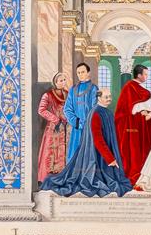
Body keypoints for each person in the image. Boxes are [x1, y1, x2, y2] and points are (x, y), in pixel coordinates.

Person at [42, 62, 131, 197]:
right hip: (77, 129)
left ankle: (89, 179)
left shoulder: (94, 89)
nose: (80, 75)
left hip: (90, 130)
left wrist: (88, 124)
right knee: (75, 158)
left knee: (91, 157)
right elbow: (68, 109)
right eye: (78, 72)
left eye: (83, 72)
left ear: (88, 73)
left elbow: (95, 109)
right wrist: (77, 122)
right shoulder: (73, 89)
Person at [112, 74, 151, 188]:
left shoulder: (141, 89)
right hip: (130, 126)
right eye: (145, 74)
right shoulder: (129, 87)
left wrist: (148, 113)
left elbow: (149, 107)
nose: (147, 76)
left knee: (140, 149)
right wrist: (140, 110)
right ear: (139, 75)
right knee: (131, 150)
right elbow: (125, 109)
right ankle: (131, 173)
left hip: (140, 126)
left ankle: (141, 173)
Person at [35, 70, 71, 182]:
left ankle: (63, 178)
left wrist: (68, 119)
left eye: (64, 80)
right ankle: (48, 178)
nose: (63, 82)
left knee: (65, 152)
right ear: (55, 82)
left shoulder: (68, 94)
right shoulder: (48, 95)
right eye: (60, 80)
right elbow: (41, 110)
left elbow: (70, 109)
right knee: (51, 153)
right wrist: (55, 119)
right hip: (53, 127)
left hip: (66, 128)